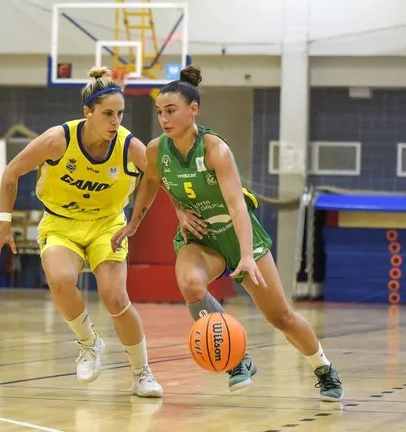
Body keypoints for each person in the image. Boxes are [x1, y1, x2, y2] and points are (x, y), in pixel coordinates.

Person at [124, 65, 343, 401]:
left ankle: (323, 368)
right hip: (200, 238)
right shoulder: (156, 150)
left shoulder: (215, 149)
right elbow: (154, 180)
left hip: (238, 235)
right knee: (190, 283)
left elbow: (237, 206)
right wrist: (147, 219)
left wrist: (246, 255)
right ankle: (237, 358)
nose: (164, 119)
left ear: (193, 110)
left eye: (171, 111)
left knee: (281, 316)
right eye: (159, 112)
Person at [0, 67, 163, 398]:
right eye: (108, 114)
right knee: (61, 280)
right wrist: (4, 221)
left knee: (115, 297)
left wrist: (136, 220)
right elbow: (11, 171)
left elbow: (158, 177)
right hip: (61, 223)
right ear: (87, 112)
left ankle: (141, 372)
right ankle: (89, 343)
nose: (115, 121)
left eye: (120, 114)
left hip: (107, 224)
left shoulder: (129, 146)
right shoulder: (58, 140)